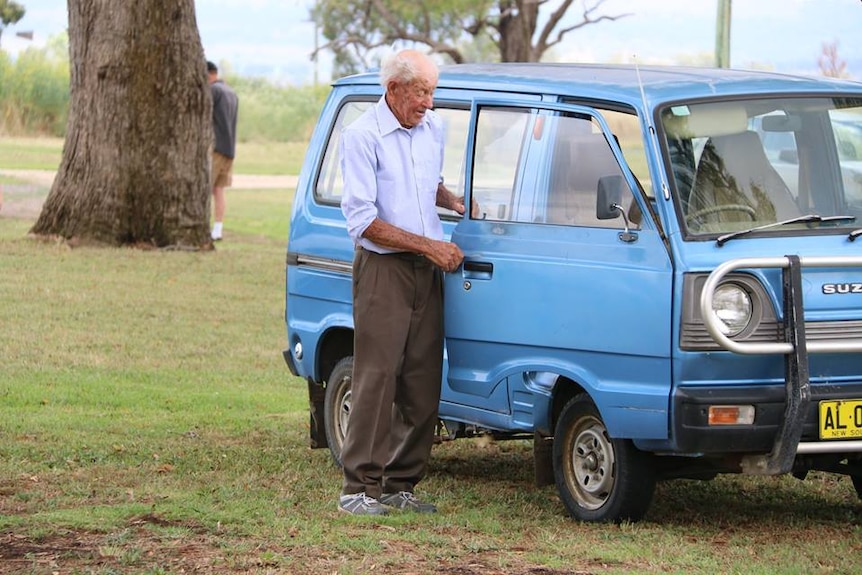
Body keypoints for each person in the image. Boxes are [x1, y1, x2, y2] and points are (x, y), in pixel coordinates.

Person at [338, 49, 466, 515]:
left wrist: (449, 197)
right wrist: (430, 246)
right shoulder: (361, 136)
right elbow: (364, 220)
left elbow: (418, 181)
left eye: (432, 92)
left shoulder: (432, 131)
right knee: (377, 377)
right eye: (421, 93)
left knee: (421, 378)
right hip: (384, 270)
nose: (429, 103)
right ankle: (358, 489)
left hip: (425, 270)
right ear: (393, 89)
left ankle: (399, 484)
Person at [207, 60, 239, 241]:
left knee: (206, 187)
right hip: (229, 148)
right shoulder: (231, 91)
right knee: (219, 189)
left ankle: (205, 225)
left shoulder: (213, 91)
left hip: (215, 147)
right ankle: (217, 229)